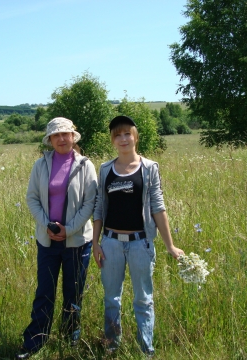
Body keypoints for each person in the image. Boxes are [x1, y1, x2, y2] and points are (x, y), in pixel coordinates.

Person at [92, 115, 184, 356]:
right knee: (112, 298)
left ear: (135, 137)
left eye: (127, 134)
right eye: (117, 135)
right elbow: (99, 207)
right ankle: (112, 345)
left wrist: (170, 246)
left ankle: (146, 348)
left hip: (140, 244)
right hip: (110, 243)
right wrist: (95, 243)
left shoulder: (149, 168)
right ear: (112, 140)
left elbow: (158, 207)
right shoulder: (104, 170)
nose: (123, 139)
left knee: (144, 299)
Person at [16, 117, 98, 359]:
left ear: (73, 137)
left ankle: (69, 339)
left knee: (73, 292)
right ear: (50, 140)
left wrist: (69, 229)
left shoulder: (85, 166)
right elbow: (32, 198)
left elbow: (90, 202)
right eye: (56, 135)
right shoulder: (40, 165)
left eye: (66, 134)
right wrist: (47, 225)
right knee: (45, 291)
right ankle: (35, 342)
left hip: (77, 242)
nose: (62, 139)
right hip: (48, 241)